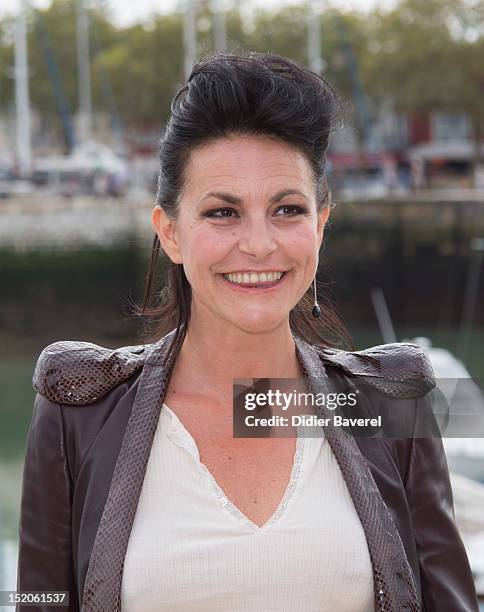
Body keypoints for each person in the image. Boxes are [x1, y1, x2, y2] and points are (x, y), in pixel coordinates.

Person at [16, 50, 478, 612]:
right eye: (222, 212)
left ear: (320, 224)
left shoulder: (389, 401)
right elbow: (38, 599)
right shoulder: (78, 411)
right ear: (170, 232)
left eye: (286, 210)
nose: (259, 244)